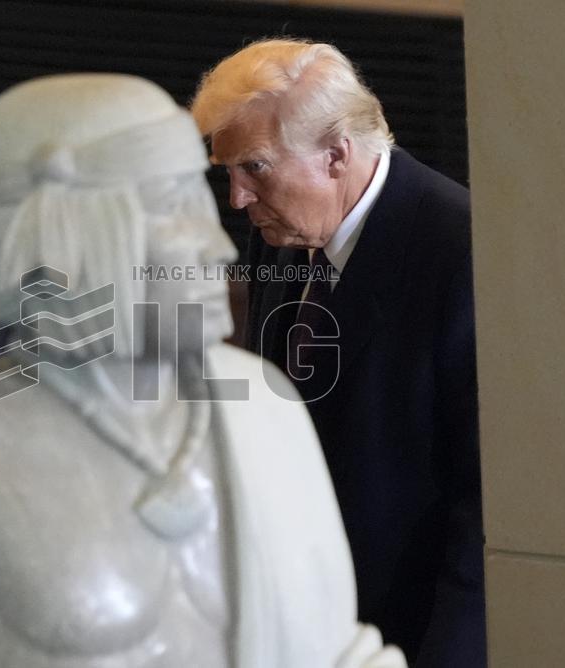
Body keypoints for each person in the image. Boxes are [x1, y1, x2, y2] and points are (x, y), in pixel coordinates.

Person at [0, 73, 405, 668]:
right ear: (75, 230)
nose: (218, 247)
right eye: (177, 210)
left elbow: (335, 649)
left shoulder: (265, 410)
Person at [191, 38, 485, 666]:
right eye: (228, 172)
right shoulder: (281, 226)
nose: (237, 199)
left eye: (256, 168)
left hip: (407, 633)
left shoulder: (462, 251)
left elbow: (482, 505)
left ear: (336, 154)